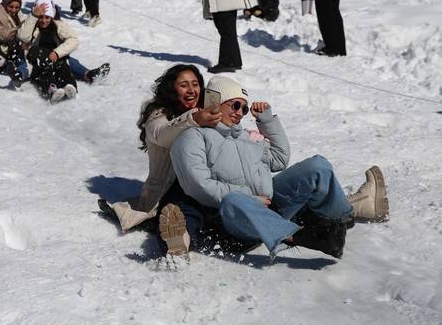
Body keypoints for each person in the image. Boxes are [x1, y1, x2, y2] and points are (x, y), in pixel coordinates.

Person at [164, 76, 389, 259]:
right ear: (214, 102)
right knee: (234, 199)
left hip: (272, 205)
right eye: (234, 105)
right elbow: (199, 186)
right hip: (236, 219)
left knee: (317, 166)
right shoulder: (192, 137)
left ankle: (341, 217)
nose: (239, 113)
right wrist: (249, 197)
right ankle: (303, 236)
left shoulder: (244, 136)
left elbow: (280, 159)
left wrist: (267, 120)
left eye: (244, 108)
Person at [101, 64, 221, 233]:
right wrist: (194, 119)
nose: (191, 90)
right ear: (172, 89)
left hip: (198, 183)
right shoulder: (157, 115)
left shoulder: (204, 113)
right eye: (183, 85)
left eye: (195, 84)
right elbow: (162, 134)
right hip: (167, 191)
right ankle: (180, 236)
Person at [17, 0, 79, 102]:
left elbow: (74, 40)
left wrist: (57, 52)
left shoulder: (58, 26)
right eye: (40, 17)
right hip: (38, 60)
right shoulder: (32, 24)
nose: (44, 21)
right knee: (44, 69)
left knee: (63, 65)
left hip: (55, 58)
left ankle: (69, 86)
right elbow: (23, 36)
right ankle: (51, 90)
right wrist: (33, 16)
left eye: (47, 17)